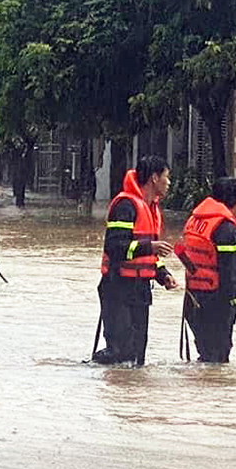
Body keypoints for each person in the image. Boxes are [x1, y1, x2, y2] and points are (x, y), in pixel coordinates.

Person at [91, 155, 177, 366]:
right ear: (154, 178)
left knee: (137, 356)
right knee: (121, 353)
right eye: (167, 177)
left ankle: (133, 396)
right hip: (118, 286)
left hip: (140, 289)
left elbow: (148, 257)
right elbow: (115, 248)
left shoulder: (150, 208)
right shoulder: (125, 206)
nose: (169, 182)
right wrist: (150, 246)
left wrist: (162, 274)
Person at [176, 177, 236, 363]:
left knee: (206, 357)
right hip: (216, 304)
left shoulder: (195, 221)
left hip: (193, 300)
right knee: (217, 360)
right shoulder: (226, 229)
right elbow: (231, 274)